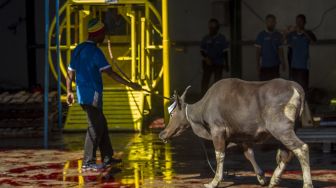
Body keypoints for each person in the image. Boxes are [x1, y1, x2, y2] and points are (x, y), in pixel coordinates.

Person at [66, 18, 141, 171]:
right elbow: (110, 73)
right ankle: (88, 162)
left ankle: (107, 157)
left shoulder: (78, 49)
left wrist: (68, 91)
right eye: (103, 34)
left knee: (102, 124)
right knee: (94, 127)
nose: (104, 37)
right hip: (92, 94)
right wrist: (131, 85)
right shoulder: (95, 52)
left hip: (81, 94)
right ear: (97, 35)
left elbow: (70, 72)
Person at [287, 14, 317, 93]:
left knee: (303, 86)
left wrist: (303, 32)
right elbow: (285, 42)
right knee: (294, 87)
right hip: (294, 65)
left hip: (304, 65)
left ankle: (304, 102)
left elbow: (313, 42)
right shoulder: (292, 34)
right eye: (297, 21)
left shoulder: (308, 33)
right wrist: (287, 31)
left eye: (300, 21)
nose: (298, 23)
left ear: (304, 22)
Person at [200, 18, 229, 95]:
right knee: (205, 81)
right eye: (210, 27)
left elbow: (225, 52)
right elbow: (202, 51)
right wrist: (206, 58)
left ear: (217, 28)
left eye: (213, 27)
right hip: (208, 63)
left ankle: (216, 97)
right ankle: (203, 97)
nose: (211, 29)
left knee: (217, 82)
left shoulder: (222, 38)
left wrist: (226, 64)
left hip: (219, 63)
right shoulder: (206, 38)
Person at [255, 14, 286, 81]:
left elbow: (280, 51)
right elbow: (258, 52)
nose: (271, 23)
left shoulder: (278, 35)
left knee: (275, 87)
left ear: (275, 23)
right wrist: (257, 65)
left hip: (275, 66)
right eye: (269, 21)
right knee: (264, 86)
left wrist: (283, 62)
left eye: (272, 22)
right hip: (264, 66)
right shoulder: (261, 35)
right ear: (266, 22)